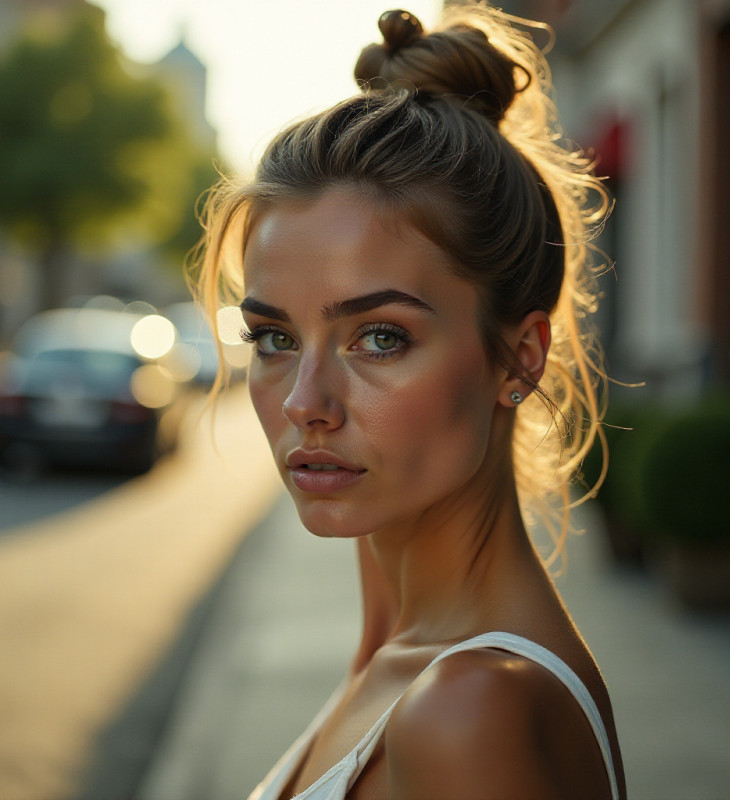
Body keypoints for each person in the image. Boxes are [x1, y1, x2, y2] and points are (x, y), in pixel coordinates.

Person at [193, 4, 625, 798]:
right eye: (274, 339)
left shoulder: (472, 711)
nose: (304, 403)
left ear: (518, 359)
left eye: (379, 338)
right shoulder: (397, 633)